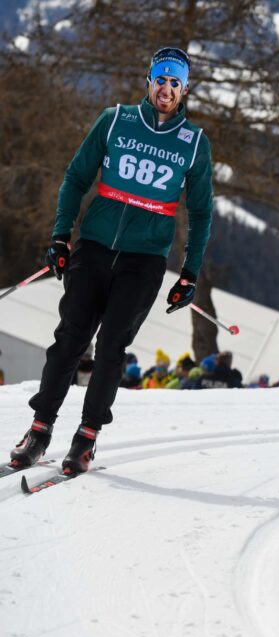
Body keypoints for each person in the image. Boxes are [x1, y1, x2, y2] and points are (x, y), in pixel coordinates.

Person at [7, 47, 213, 475]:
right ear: (149, 80)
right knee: (70, 338)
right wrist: (61, 236)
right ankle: (39, 429)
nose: (167, 89)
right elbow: (76, 177)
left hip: (144, 259)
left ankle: (86, 437)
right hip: (95, 246)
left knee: (112, 348)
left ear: (185, 89)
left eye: (175, 83)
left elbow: (201, 212)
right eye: (161, 79)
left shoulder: (194, 144)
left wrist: (190, 272)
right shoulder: (115, 120)